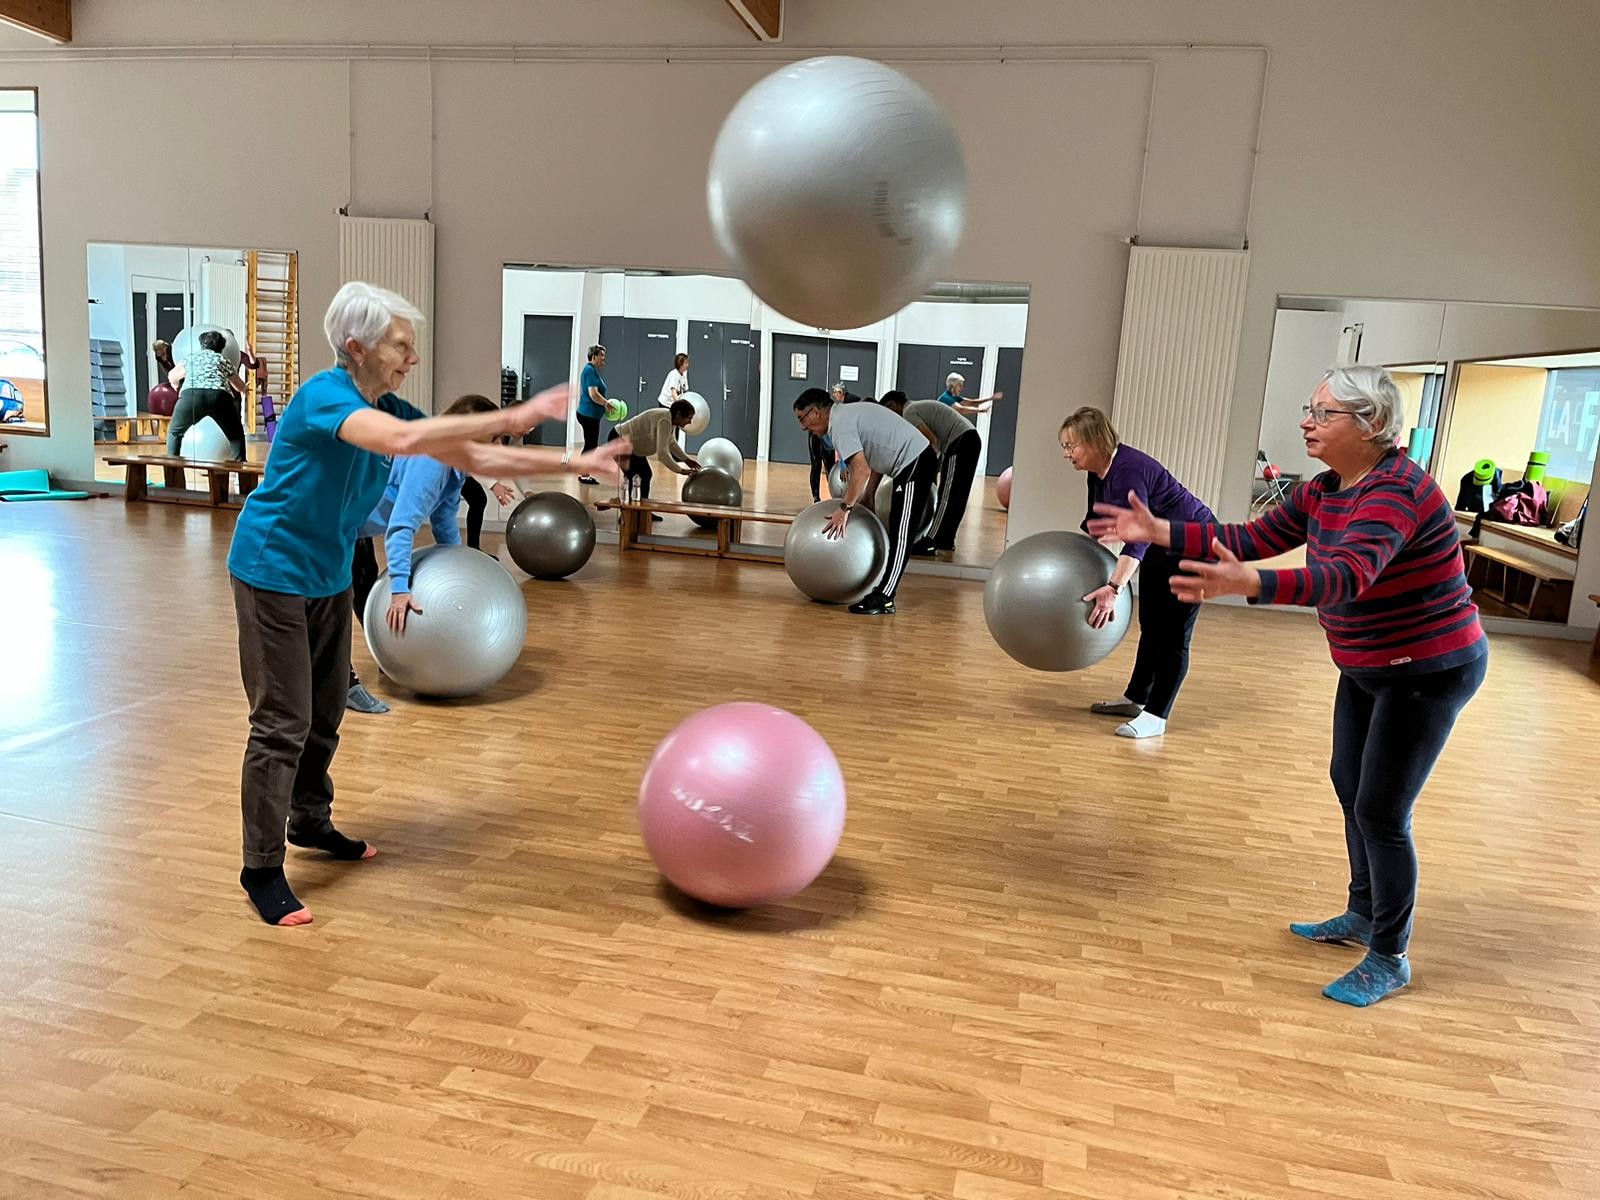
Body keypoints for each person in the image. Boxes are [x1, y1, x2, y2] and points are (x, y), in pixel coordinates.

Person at [226, 281, 628, 928]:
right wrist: (506, 413)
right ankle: (262, 867)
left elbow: (467, 455)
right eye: (400, 345)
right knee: (282, 722)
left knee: (327, 711)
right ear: (356, 348)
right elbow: (404, 444)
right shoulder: (326, 398)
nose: (412, 356)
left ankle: (309, 821)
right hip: (272, 570)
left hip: (327, 572)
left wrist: (574, 458)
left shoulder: (393, 403)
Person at [1089, 365, 1487, 1007]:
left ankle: (1389, 955)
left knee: (1382, 811)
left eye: (1324, 412)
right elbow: (1251, 536)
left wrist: (1254, 584)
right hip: (1367, 662)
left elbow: (1346, 576)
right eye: (1310, 408)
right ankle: (1362, 914)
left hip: (1428, 668)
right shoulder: (1326, 488)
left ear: (1373, 425)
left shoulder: (1395, 492)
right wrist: (1161, 531)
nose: (1307, 420)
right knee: (1349, 785)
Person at [346, 393, 511, 715]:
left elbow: (443, 518)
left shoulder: (455, 466)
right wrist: (399, 589)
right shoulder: (432, 461)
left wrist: (459, 567)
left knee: (364, 589)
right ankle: (343, 682)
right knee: (336, 599)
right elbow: (401, 527)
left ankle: (387, 653)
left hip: (357, 524)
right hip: (335, 520)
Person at [1060, 406, 1215, 739]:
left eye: (1072, 446)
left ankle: (1156, 716)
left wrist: (1113, 589)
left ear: (1095, 441)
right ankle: (1136, 698)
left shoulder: (1128, 471)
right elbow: (1095, 523)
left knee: (1173, 634)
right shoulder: (1097, 472)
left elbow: (1137, 539)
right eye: (1065, 447)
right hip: (1163, 545)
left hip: (1197, 547)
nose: (1067, 454)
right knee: (1152, 625)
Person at [794, 387, 938, 616]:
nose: (802, 427)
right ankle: (884, 591)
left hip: (916, 462)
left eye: (802, 419)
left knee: (902, 532)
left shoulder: (840, 425)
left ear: (816, 412)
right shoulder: (847, 416)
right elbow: (876, 456)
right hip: (912, 462)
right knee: (898, 525)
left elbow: (860, 470)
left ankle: (885, 597)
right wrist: (869, 493)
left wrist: (844, 508)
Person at [881, 390, 982, 558]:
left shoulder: (909, 412)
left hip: (960, 441)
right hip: (970, 439)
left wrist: (928, 470)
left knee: (947, 495)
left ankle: (931, 540)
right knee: (958, 495)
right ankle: (946, 540)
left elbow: (931, 441)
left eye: (888, 412)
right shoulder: (916, 407)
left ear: (893, 405)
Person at [167, 330, 249, 459]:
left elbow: (172, 375)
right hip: (220, 396)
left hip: (191, 395)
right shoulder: (223, 360)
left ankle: (172, 471)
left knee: (175, 433)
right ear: (221, 347)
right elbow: (238, 385)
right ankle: (242, 472)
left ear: (201, 345)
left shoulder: (191, 358)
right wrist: (245, 389)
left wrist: (175, 384)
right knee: (236, 436)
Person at [610, 399, 701, 510]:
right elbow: (662, 452)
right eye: (689, 418)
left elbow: (671, 443)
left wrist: (687, 460)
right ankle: (629, 514)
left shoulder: (670, 420)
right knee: (633, 477)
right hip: (619, 440)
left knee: (646, 474)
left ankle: (642, 511)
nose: (690, 422)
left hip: (633, 446)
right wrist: (680, 470)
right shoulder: (665, 420)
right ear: (679, 414)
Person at [576, 344, 610, 485]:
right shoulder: (590, 371)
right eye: (601, 356)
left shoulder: (592, 370)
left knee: (591, 445)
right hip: (588, 414)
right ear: (594, 356)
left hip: (591, 414)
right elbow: (593, 394)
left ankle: (583, 471)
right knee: (591, 446)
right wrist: (606, 403)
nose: (604, 359)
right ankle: (584, 474)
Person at [936, 371, 1002, 413]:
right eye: (960, 385)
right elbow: (961, 409)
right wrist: (981, 410)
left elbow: (971, 402)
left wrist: (990, 398)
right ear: (952, 386)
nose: (962, 388)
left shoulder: (954, 397)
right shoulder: (946, 398)